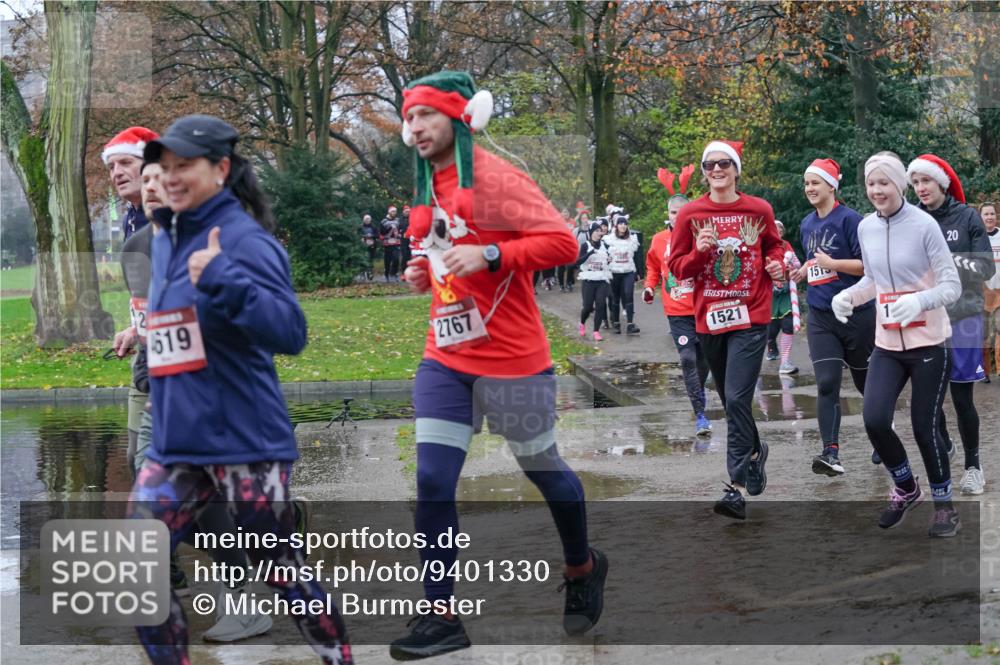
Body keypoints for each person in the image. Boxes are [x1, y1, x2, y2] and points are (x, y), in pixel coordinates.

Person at [397, 71, 606, 659]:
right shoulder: (428, 184)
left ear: (458, 118)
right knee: (433, 481)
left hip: (512, 360)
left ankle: (581, 567)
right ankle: (439, 617)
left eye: (426, 116)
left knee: (542, 468)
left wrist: (491, 252)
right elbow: (441, 258)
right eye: (409, 118)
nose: (414, 128)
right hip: (446, 358)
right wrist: (424, 274)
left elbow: (565, 245)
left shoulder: (495, 178)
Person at [129, 114, 353, 663]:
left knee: (282, 575)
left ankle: (338, 658)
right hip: (179, 444)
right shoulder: (167, 237)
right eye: (164, 166)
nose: (171, 176)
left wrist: (226, 278)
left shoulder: (245, 241)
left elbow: (291, 332)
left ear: (221, 169)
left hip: (246, 445)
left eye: (186, 166)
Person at [833, 151, 961, 537]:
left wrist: (919, 300)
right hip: (887, 343)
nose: (877, 190)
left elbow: (951, 286)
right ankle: (906, 488)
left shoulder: (923, 225)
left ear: (900, 185)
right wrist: (850, 298)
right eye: (871, 183)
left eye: (884, 182)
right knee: (874, 419)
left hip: (929, 343)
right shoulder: (867, 228)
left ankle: (945, 506)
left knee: (924, 427)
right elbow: (872, 280)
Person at [667, 140, 786, 520]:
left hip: (751, 318)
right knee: (729, 397)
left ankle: (734, 489)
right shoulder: (691, 214)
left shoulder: (758, 209)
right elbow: (676, 268)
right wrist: (700, 251)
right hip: (709, 319)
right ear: (704, 172)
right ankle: (754, 450)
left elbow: (776, 247)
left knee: (736, 398)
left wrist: (777, 264)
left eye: (723, 164)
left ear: (736, 169)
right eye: (709, 165)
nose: (716, 170)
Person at [907, 154, 994, 495]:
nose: (921, 188)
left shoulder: (967, 217)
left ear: (941, 182)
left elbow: (986, 269)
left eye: (926, 181)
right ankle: (944, 442)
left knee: (961, 399)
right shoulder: (910, 220)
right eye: (915, 183)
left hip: (963, 315)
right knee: (927, 397)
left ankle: (973, 466)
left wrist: (952, 260)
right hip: (925, 316)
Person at [788, 158, 874, 477]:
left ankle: (882, 432)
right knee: (827, 383)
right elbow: (817, 261)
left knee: (868, 386)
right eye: (806, 183)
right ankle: (830, 453)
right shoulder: (807, 224)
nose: (809, 188)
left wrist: (833, 264)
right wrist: (806, 270)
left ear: (831, 186)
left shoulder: (852, 221)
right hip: (821, 316)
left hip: (857, 315)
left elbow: (868, 267)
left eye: (815, 183)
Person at [643, 187, 713, 437]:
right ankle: (701, 415)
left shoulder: (702, 236)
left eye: (681, 212)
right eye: (673, 212)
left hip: (703, 308)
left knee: (704, 361)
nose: (676, 216)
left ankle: (699, 392)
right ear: (668, 214)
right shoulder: (659, 240)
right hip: (676, 311)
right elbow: (652, 266)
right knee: (687, 359)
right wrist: (649, 287)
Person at [765, 220, 802, 374]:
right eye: (774, 229)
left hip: (787, 292)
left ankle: (785, 362)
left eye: (780, 230)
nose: (777, 232)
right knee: (771, 329)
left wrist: (791, 267)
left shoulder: (786, 245)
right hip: (769, 294)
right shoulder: (763, 246)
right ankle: (770, 345)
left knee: (787, 324)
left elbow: (797, 264)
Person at [577, 221, 613, 341]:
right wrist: (589, 253)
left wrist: (609, 259)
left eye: (600, 231)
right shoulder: (585, 245)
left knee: (600, 305)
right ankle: (582, 323)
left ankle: (596, 331)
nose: (599, 233)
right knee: (587, 307)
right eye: (596, 231)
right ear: (591, 232)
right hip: (588, 279)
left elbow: (607, 260)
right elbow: (577, 262)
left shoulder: (604, 245)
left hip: (601, 279)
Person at [605, 211, 640, 334]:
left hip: (628, 271)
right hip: (614, 272)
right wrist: (606, 261)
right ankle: (616, 324)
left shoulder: (632, 239)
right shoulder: (609, 239)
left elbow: (636, 257)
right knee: (615, 297)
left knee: (628, 294)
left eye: (625, 224)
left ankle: (630, 324)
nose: (623, 226)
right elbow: (602, 254)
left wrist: (638, 272)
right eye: (620, 224)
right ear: (616, 226)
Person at [982, 202, 1000, 380]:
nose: (989, 217)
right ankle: (984, 372)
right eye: (986, 214)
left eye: (992, 214)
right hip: (983, 293)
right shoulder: (977, 239)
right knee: (983, 336)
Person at [381, 205, 402, 281]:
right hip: (387, 243)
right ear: (389, 212)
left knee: (396, 258)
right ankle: (386, 274)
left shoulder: (398, 220)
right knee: (388, 259)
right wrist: (389, 230)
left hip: (396, 242)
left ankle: (394, 273)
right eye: (393, 211)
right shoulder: (384, 221)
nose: (394, 213)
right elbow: (381, 232)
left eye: (395, 211)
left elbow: (400, 229)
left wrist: (400, 233)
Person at [360, 213, 378, 280]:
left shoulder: (374, 227)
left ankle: (370, 273)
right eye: (366, 219)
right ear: (363, 220)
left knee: (370, 259)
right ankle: (362, 273)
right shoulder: (360, 227)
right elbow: (357, 235)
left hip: (372, 245)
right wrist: (363, 237)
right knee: (363, 259)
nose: (367, 220)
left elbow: (377, 235)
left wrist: (372, 236)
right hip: (363, 245)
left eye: (369, 219)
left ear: (370, 220)